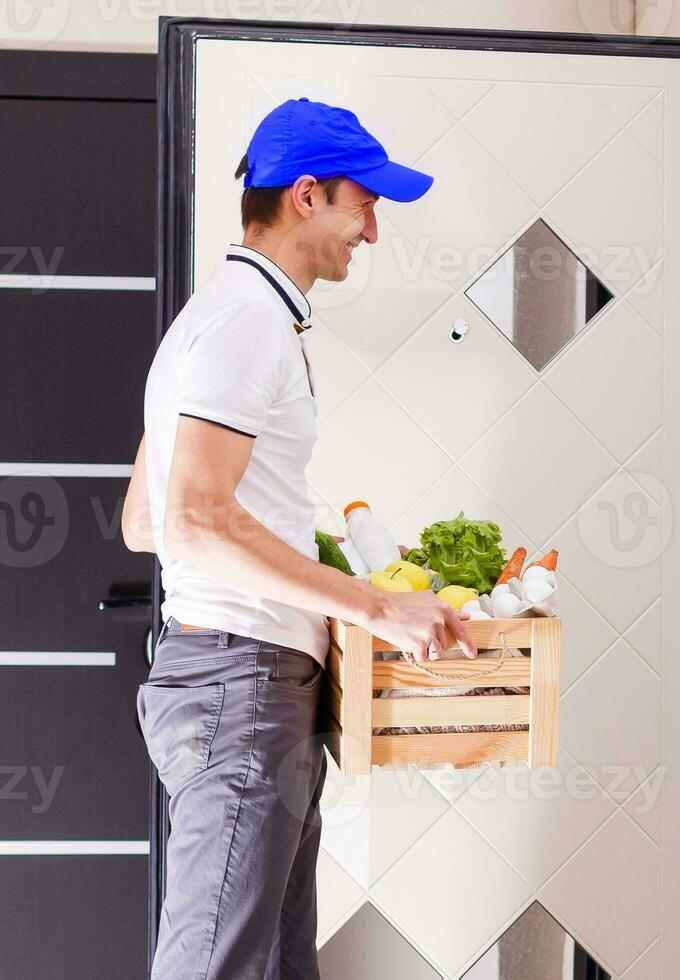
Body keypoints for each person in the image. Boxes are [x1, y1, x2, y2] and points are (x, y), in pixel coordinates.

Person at [118, 97, 475, 980]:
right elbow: (194, 519)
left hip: (241, 681)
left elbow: (144, 521)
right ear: (307, 195)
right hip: (240, 689)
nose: (373, 231)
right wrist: (376, 605)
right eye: (366, 204)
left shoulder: (220, 317)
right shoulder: (246, 323)